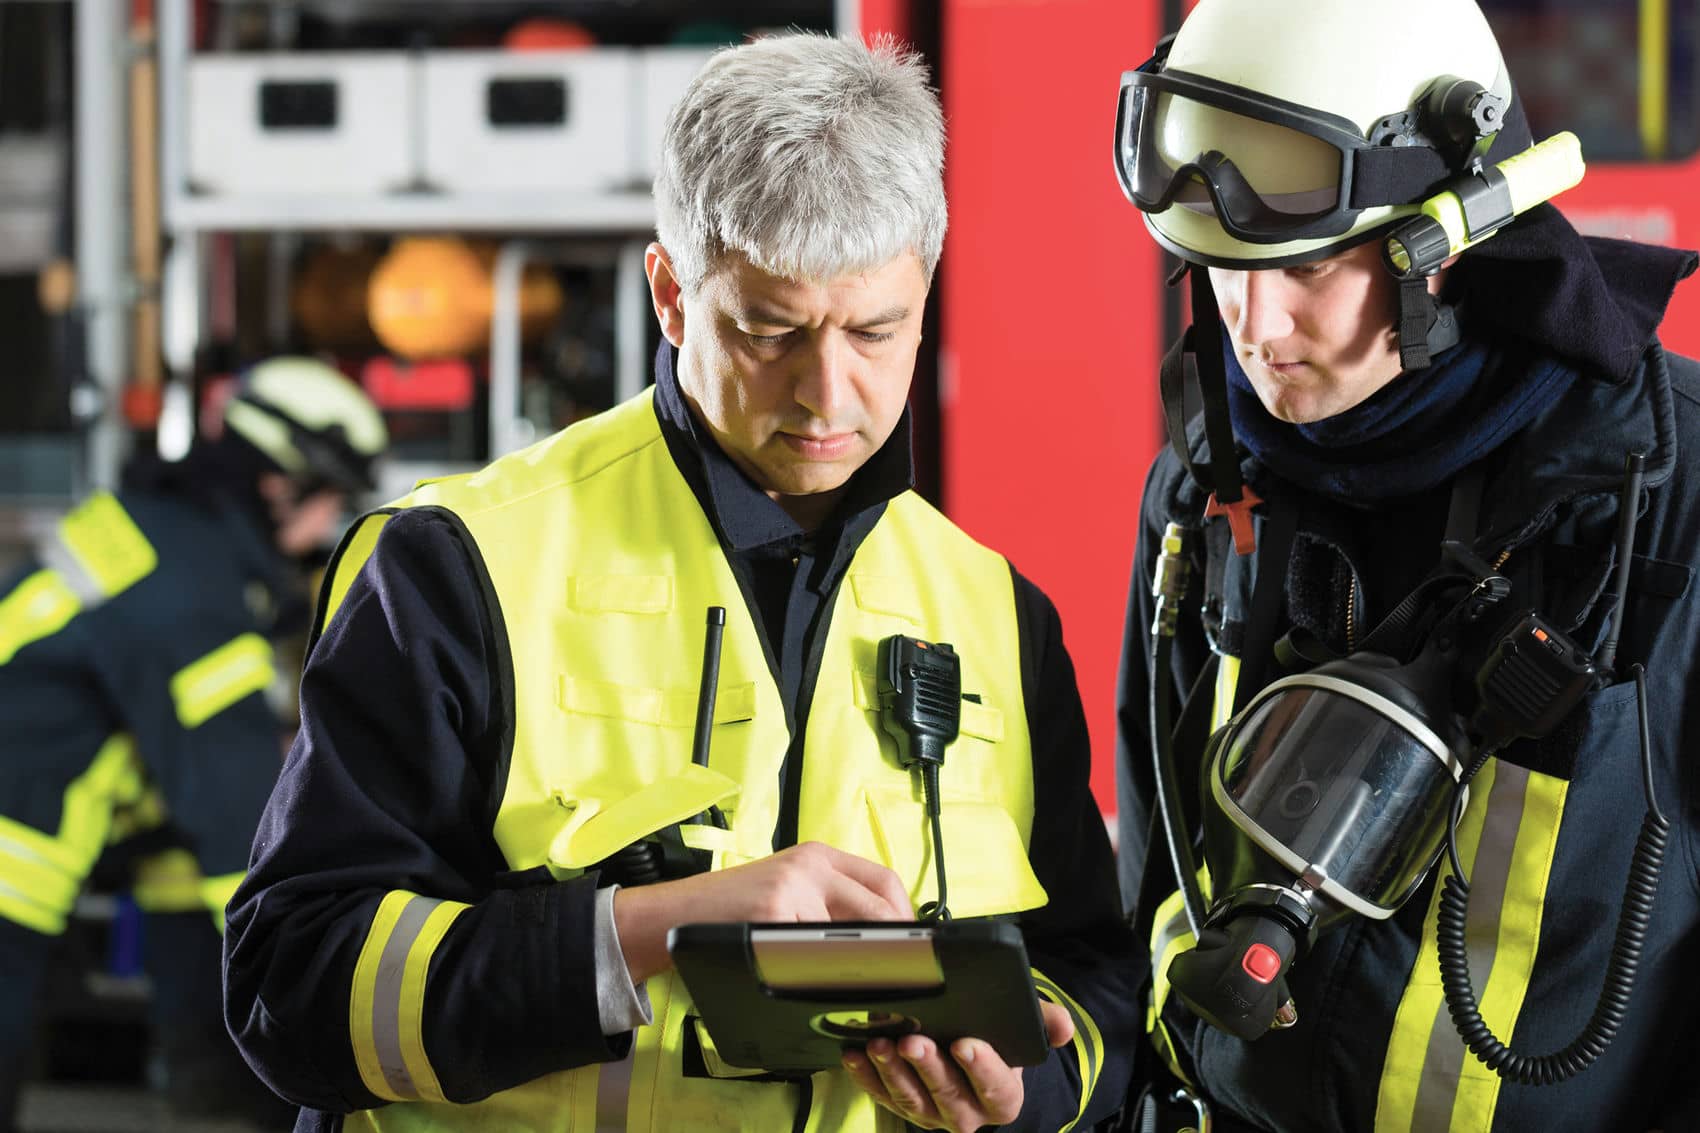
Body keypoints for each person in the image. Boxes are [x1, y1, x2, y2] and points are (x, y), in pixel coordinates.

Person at [224, 32, 1139, 1133]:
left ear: (925, 289)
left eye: (874, 330)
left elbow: (1092, 985)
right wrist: (641, 930)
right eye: (769, 329)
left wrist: (1024, 1090)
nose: (823, 394)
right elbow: (295, 988)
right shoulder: (455, 567)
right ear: (669, 292)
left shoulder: (995, 614)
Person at [1109, 1, 1700, 1130]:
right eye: (1218, 270)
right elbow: (1153, 877)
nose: (1253, 324)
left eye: (1309, 269)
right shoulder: (1204, 485)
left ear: (1451, 236)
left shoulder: (1660, 499)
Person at [0, 355, 388, 1131]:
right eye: (332, 499)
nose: (327, 529)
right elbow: (233, 810)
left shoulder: (157, 534)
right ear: (280, 483)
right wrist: (331, 982)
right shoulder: (197, 599)